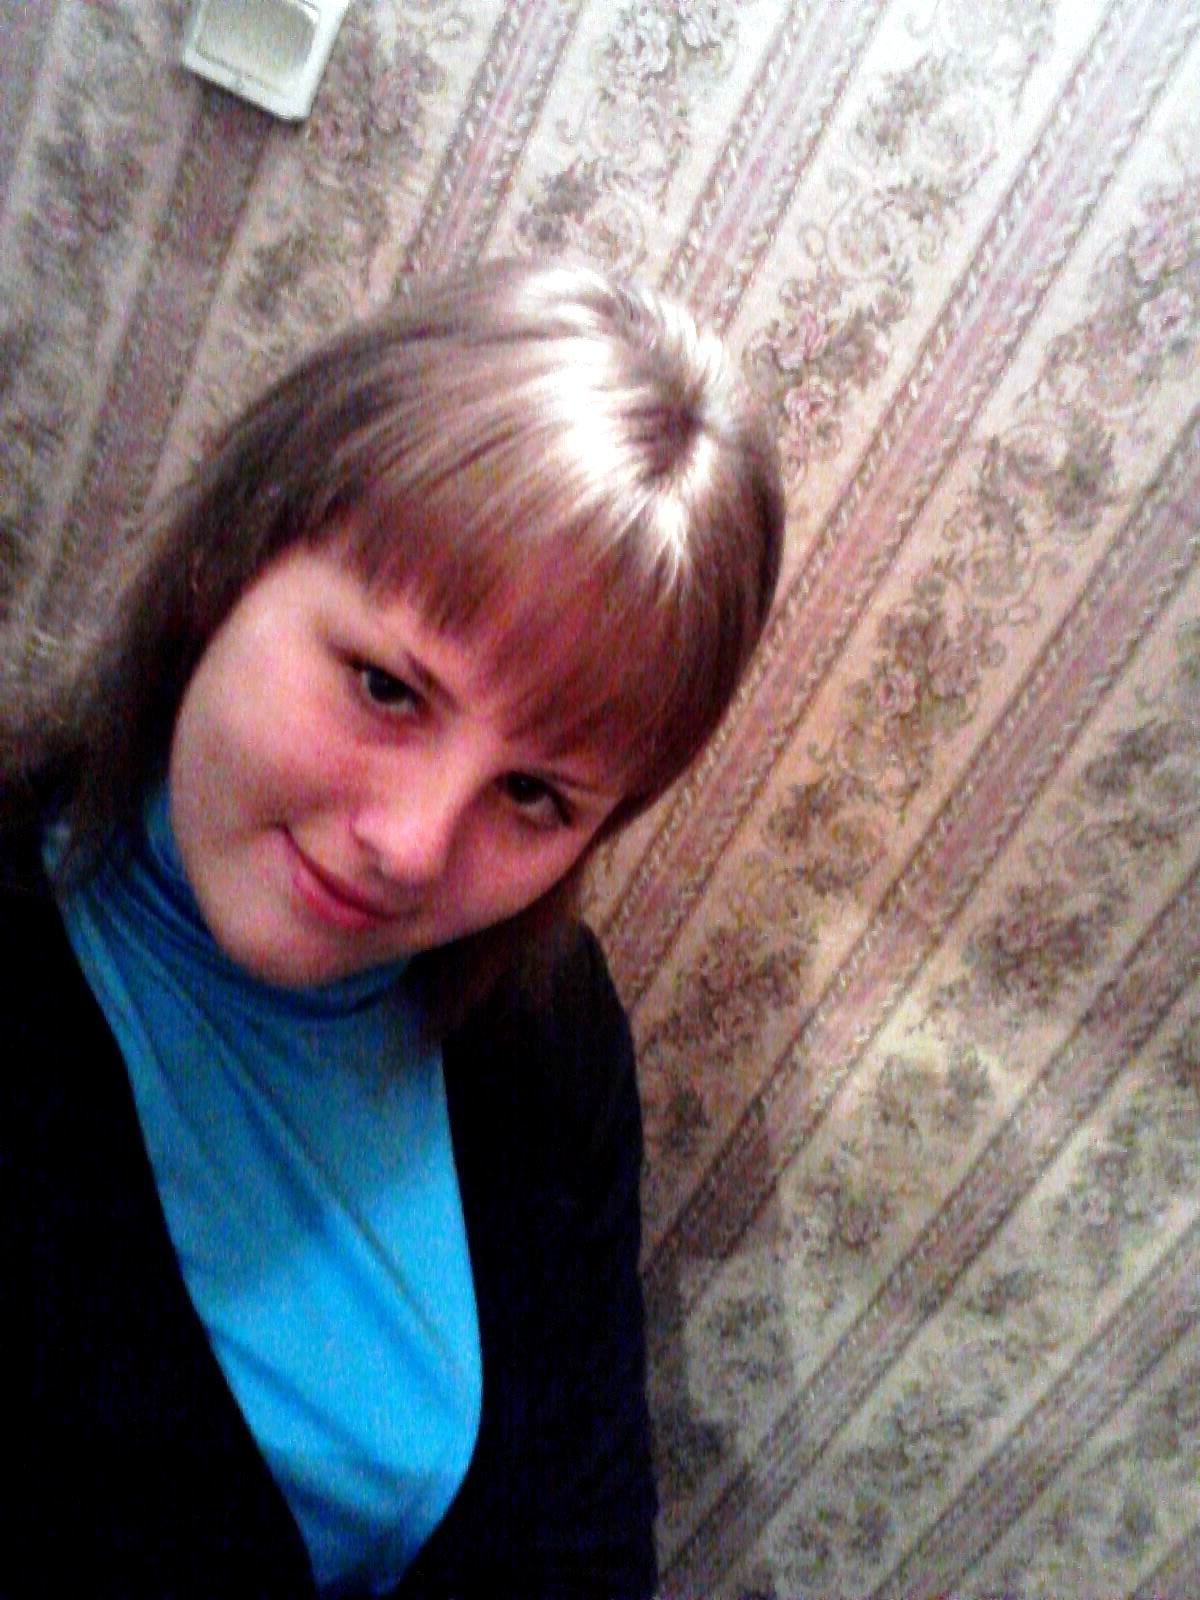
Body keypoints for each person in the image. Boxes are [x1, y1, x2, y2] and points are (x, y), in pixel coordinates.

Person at [1, 259, 784, 1598]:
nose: (413, 849)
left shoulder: (546, 1030)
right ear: (223, 571)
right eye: (384, 687)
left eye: (534, 795)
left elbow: (584, 1549)